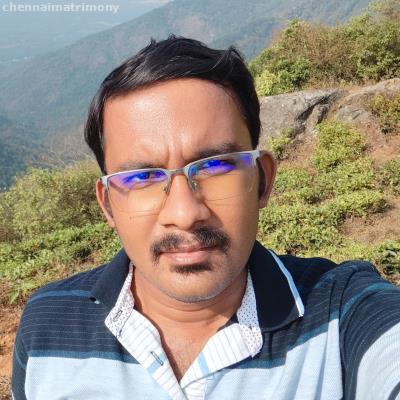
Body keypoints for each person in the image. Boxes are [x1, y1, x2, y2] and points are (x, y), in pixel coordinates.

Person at [12, 36, 400, 400]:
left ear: (262, 180)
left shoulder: (344, 313)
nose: (184, 214)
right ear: (108, 204)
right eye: (142, 176)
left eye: (215, 165)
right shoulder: (46, 328)